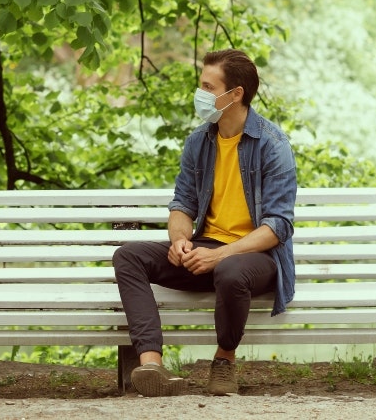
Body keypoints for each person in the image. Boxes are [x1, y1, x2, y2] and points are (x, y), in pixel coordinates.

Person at [113, 49, 297, 396]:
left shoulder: (273, 145)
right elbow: (183, 204)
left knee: (229, 270)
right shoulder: (199, 141)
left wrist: (221, 256)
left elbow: (278, 227)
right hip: (206, 249)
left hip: (256, 258)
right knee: (129, 256)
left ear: (235, 94)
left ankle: (224, 363)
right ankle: (151, 364)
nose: (200, 94)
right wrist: (181, 240)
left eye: (207, 87)